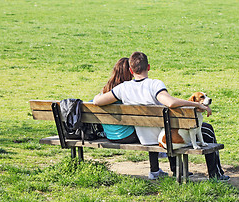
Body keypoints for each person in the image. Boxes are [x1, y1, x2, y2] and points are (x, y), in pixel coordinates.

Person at [94, 52, 229, 181]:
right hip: (164, 137)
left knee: (177, 125)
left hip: (144, 138)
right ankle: (216, 174)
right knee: (207, 130)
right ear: (148, 67)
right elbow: (170, 103)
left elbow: (97, 102)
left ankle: (178, 170)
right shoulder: (154, 84)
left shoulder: (122, 88)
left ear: (131, 70)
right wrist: (197, 105)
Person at [95, 57, 138, 144]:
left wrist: (97, 96)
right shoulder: (126, 90)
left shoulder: (105, 91)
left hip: (110, 136)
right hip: (128, 135)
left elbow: (95, 100)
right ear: (130, 72)